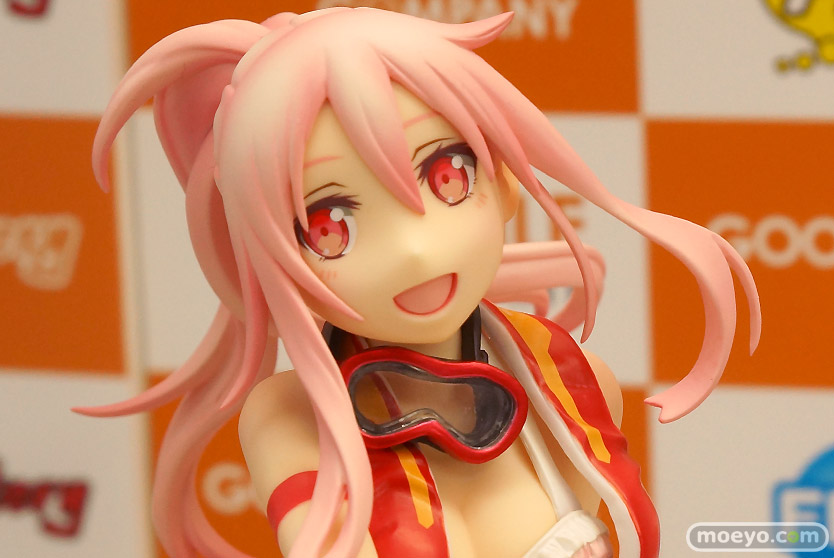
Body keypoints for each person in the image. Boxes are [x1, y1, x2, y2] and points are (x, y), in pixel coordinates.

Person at [77, 7, 760, 558]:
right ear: (270, 253)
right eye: (330, 224)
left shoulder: (574, 383)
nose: (412, 249)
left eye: (448, 177)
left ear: (503, 182)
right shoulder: (291, 419)